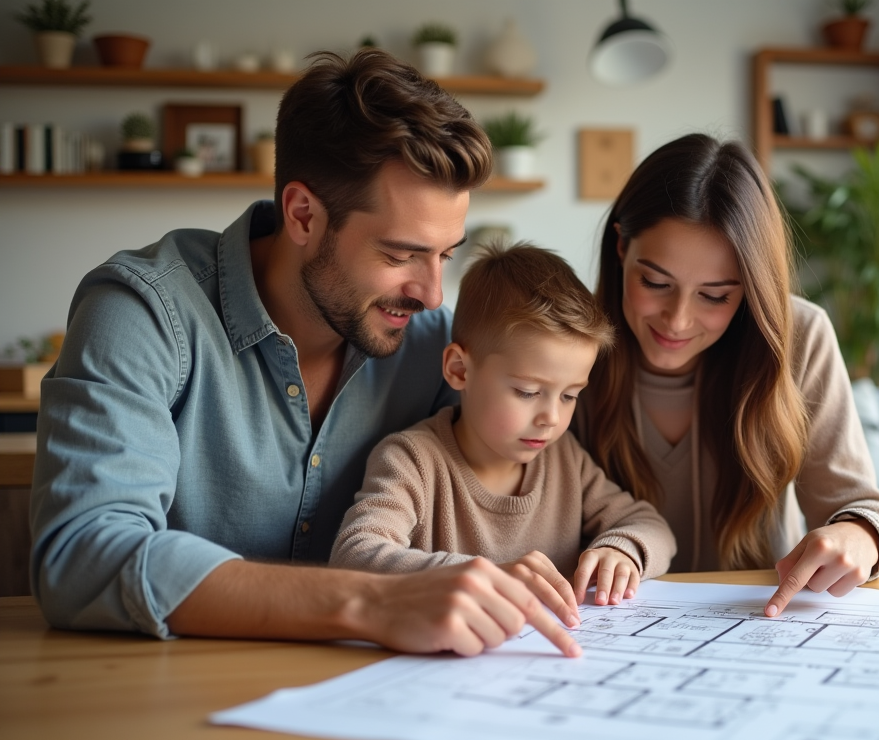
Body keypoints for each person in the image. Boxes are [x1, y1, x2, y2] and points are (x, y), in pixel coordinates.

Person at [29, 50, 580, 658]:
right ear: (302, 215)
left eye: (446, 254)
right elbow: (81, 554)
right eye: (400, 255)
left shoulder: (434, 346)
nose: (430, 293)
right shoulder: (142, 313)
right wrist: (370, 602)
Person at [576, 133, 879, 616]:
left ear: (750, 288)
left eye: (715, 295)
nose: (678, 320)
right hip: (605, 625)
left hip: (760, 624)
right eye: (655, 282)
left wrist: (857, 536)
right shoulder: (568, 344)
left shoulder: (800, 337)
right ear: (621, 245)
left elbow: (868, 510)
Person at [330, 243, 676, 620]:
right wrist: (482, 576)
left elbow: (651, 527)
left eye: (570, 395)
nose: (551, 417)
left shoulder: (564, 460)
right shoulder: (412, 459)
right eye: (528, 392)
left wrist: (623, 550)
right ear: (460, 370)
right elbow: (354, 553)